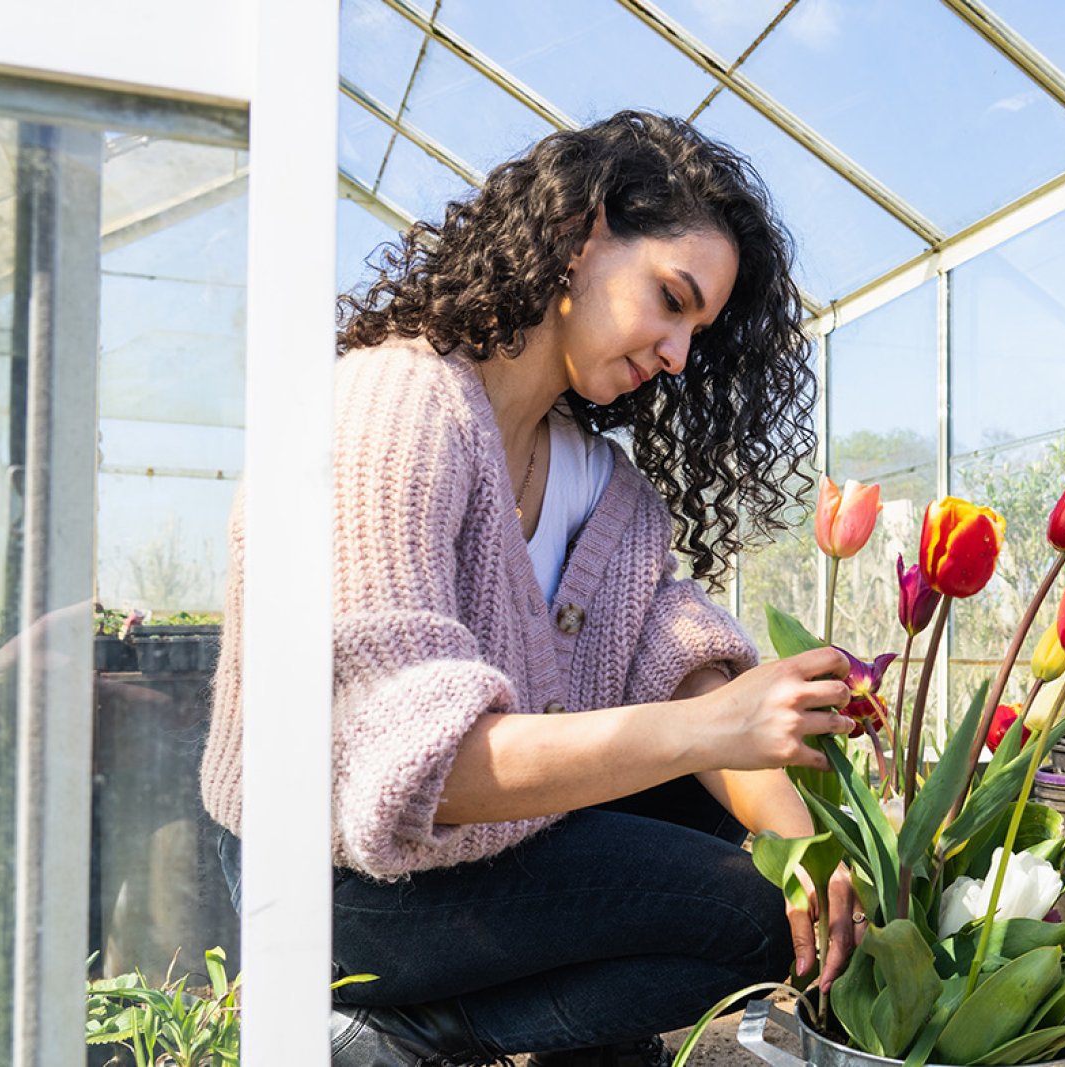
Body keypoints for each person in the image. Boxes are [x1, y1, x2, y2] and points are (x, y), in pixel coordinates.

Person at [200, 110, 864, 1067]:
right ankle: (399, 1029)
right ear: (579, 237)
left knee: (753, 847)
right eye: (670, 299)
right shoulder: (391, 407)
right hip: (333, 870)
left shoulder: (608, 491)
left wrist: (813, 858)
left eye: (698, 330)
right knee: (743, 911)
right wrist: (712, 733)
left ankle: (574, 1044)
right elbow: (412, 770)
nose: (678, 353)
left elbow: (690, 680)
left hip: (493, 844)